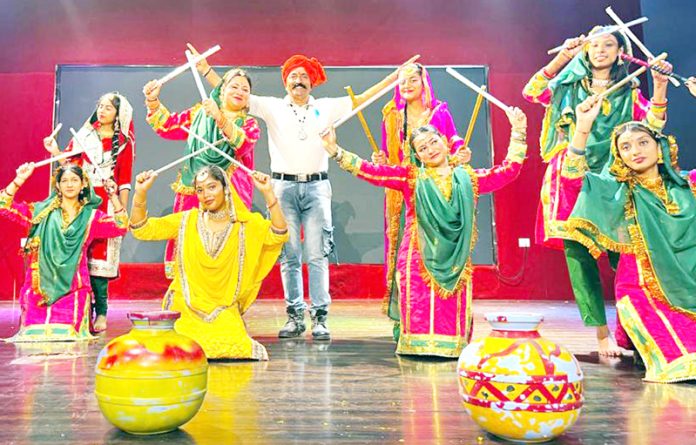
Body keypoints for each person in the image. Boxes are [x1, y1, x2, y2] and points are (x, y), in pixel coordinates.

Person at [191, 45, 417, 340]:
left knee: (317, 254)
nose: (298, 80)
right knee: (290, 255)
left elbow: (364, 98)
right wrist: (205, 69)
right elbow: (232, 90)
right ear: (286, 82)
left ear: (311, 82)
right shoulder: (271, 106)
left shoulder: (327, 107)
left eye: (304, 76)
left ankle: (320, 318)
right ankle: (294, 316)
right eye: (293, 75)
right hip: (281, 187)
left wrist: (396, 77)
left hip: (317, 187)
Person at [319, 106, 528, 358]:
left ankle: (451, 347)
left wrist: (518, 131)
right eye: (423, 148)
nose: (431, 149)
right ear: (417, 155)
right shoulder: (411, 178)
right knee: (418, 301)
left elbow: (508, 171)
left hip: (455, 257)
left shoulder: (468, 178)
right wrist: (334, 149)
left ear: (444, 141)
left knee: (450, 304)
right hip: (417, 255)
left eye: (434, 142)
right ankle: (416, 346)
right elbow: (371, 172)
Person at [522, 26, 671, 355]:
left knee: (626, 256)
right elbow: (532, 91)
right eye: (594, 45)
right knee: (579, 257)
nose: (600, 50)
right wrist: (564, 56)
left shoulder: (627, 91)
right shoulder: (568, 86)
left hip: (613, 179)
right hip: (571, 175)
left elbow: (653, 126)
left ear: (621, 53)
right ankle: (601, 333)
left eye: (608, 45)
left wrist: (659, 85)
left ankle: (631, 328)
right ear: (585, 51)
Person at [564, 95, 696, 382]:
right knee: (683, 360)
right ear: (619, 156)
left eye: (642, 142)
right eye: (625, 147)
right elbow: (573, 178)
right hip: (642, 288)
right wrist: (583, 128)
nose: (635, 150)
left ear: (660, 148)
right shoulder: (617, 191)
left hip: (689, 281)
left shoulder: (689, 185)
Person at [129, 165, 288, 360]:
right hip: (186, 305)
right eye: (200, 190)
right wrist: (140, 193)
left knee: (234, 345)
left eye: (212, 187)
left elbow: (279, 234)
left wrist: (268, 193)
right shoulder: (187, 220)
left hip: (221, 308)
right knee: (181, 345)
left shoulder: (244, 225)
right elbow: (141, 229)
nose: (206, 194)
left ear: (225, 188)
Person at [374, 63, 470, 337]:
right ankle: (404, 316)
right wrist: (381, 159)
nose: (406, 85)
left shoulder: (439, 111)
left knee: (434, 244)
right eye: (401, 81)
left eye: (412, 80)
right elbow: (385, 151)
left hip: (433, 186)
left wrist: (461, 151)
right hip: (403, 186)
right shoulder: (391, 115)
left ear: (423, 82)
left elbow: (453, 140)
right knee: (400, 248)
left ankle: (440, 311)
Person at [143, 66, 260, 279]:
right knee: (189, 239)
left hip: (229, 196)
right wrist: (153, 102)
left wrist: (220, 118)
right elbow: (168, 126)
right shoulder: (200, 113)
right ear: (222, 90)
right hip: (193, 189)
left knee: (224, 247)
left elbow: (243, 144)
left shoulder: (249, 124)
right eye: (234, 86)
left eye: (245, 89)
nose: (239, 91)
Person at [0, 163, 127, 342]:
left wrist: (113, 196)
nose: (69, 184)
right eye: (64, 180)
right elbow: (4, 206)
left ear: (83, 184)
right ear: (57, 185)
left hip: (73, 289)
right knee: (34, 333)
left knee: (67, 332)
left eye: (74, 180)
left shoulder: (91, 217)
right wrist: (19, 179)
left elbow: (121, 226)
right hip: (40, 290)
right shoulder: (40, 213)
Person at [44, 92, 135, 332]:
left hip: (107, 202)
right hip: (80, 202)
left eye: (108, 107)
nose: (102, 110)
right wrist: (55, 151)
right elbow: (69, 166)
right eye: (100, 105)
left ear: (118, 115)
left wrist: (121, 212)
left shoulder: (125, 142)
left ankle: (102, 313)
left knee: (100, 261)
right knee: (78, 255)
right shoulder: (84, 135)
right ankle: (80, 309)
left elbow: (124, 179)